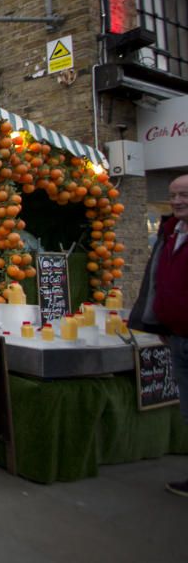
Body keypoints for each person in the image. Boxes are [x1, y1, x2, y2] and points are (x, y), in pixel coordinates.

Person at [129, 173, 188, 497]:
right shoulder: (170, 234)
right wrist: (156, 324)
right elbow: (156, 284)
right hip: (176, 337)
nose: (178, 201)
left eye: (185, 195)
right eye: (174, 195)